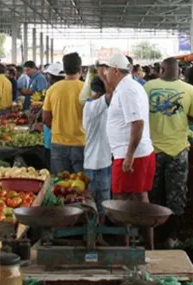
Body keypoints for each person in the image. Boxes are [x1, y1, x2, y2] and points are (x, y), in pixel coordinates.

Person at [144, 58, 193, 247]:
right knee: (176, 195)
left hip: (151, 151)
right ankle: (172, 237)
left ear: (161, 69)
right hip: (178, 150)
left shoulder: (147, 87)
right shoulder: (189, 89)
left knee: (153, 195)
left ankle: (151, 237)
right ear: (179, 71)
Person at [103, 54, 155, 249]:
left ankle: (127, 248)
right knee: (137, 197)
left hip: (132, 155)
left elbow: (138, 123)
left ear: (116, 70)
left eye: (107, 69)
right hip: (134, 152)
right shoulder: (127, 87)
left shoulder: (127, 90)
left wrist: (129, 155)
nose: (106, 73)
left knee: (122, 200)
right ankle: (142, 245)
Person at [43, 53, 86, 174]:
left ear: (64, 69)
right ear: (80, 69)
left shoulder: (53, 89)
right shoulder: (86, 89)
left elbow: (46, 118)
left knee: (59, 184)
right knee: (81, 184)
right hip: (81, 143)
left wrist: (57, 128)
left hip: (58, 142)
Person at [82, 76, 112, 216]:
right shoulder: (93, 106)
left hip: (101, 160)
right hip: (96, 163)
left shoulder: (94, 105)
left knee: (99, 202)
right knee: (98, 202)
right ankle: (96, 234)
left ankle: (98, 234)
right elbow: (109, 95)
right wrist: (108, 79)